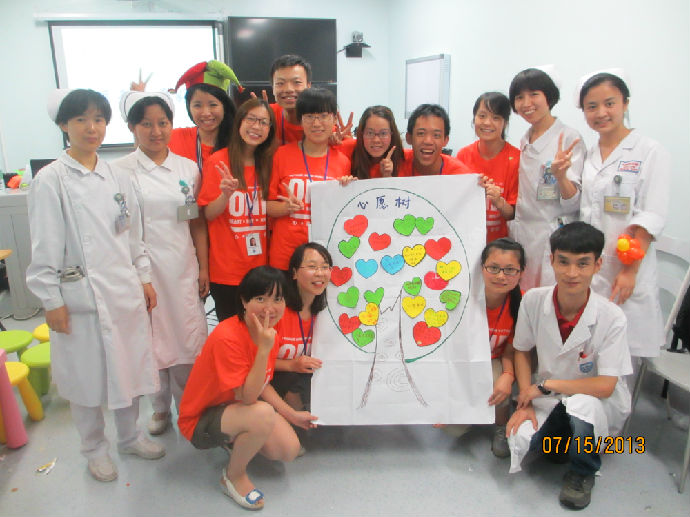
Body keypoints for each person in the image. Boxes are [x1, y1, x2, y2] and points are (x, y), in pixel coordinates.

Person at [26, 89, 164, 483]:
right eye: (81, 119)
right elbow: (44, 247)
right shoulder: (51, 180)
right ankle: (94, 450)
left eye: (99, 119)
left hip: (123, 291)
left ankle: (130, 437)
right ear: (64, 125)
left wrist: (144, 276)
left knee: (129, 370)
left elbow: (133, 235)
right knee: (85, 379)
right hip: (80, 298)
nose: (92, 128)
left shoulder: (118, 176)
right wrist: (51, 299)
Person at [506, 222, 632, 510]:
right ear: (551, 260)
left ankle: (582, 472)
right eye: (563, 262)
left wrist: (545, 386)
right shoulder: (533, 300)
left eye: (582, 263)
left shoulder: (612, 317)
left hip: (594, 402)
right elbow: (521, 350)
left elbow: (605, 386)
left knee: (582, 406)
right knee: (522, 441)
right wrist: (525, 400)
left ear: (598, 265)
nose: (572, 273)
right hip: (546, 398)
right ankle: (559, 443)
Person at [178, 266, 317, 510]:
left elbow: (262, 382)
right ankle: (233, 476)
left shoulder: (269, 330)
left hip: (235, 407)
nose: (269, 308)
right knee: (262, 413)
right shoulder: (228, 336)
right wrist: (264, 348)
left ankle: (235, 438)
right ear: (244, 301)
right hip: (200, 421)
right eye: (260, 299)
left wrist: (292, 415)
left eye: (277, 299)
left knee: (288, 450)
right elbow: (249, 396)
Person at [114, 91, 209, 436]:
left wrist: (204, 267)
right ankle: (159, 408)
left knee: (186, 339)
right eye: (146, 124)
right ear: (132, 127)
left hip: (182, 267)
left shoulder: (187, 168)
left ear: (172, 125)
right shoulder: (119, 171)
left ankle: (188, 409)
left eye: (163, 123)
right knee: (151, 341)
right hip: (142, 271)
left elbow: (196, 222)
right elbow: (120, 229)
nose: (156, 131)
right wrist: (137, 276)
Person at [576, 70, 670, 358]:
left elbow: (651, 215)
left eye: (609, 103)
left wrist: (630, 271)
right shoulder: (589, 154)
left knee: (622, 356)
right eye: (592, 107)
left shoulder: (649, 151)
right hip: (593, 266)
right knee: (591, 352)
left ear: (625, 103)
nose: (601, 113)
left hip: (626, 268)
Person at [436, 238, 523, 458]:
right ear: (481, 268)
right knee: (452, 428)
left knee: (498, 383)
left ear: (521, 272)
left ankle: (501, 426)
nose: (501, 276)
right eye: (493, 268)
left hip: (494, 360)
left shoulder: (521, 305)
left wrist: (508, 375)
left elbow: (510, 351)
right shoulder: (461, 298)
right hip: (459, 362)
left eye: (510, 270)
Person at [198, 98, 276, 321]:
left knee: (259, 330)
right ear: (239, 122)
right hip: (226, 270)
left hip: (261, 269)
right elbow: (208, 214)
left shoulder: (269, 163)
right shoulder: (219, 161)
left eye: (263, 122)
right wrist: (225, 195)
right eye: (251, 119)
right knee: (231, 332)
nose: (256, 127)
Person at [508, 67, 585, 290]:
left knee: (549, 297)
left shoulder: (568, 137)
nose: (526, 103)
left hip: (551, 236)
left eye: (534, 94)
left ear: (549, 97)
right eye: (519, 97)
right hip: (523, 234)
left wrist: (561, 177)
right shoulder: (524, 140)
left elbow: (574, 202)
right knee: (524, 297)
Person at [267, 88, 354, 272]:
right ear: (300, 120)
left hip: (323, 256)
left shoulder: (343, 161)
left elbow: (345, 214)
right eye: (309, 116)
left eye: (323, 116)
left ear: (334, 119)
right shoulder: (281, 155)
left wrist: (347, 188)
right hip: (285, 256)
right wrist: (284, 208)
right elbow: (265, 205)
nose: (316, 123)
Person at [271, 243, 332, 411]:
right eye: (312, 267)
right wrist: (291, 365)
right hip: (274, 382)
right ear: (294, 273)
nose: (320, 273)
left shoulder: (328, 313)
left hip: (308, 379)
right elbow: (254, 360)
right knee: (290, 379)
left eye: (325, 267)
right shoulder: (277, 311)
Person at [457, 92, 520, 242]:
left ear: (505, 123)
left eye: (496, 118)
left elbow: (513, 214)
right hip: (468, 241)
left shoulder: (516, 159)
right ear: (474, 119)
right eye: (482, 116)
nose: (487, 122)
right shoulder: (463, 156)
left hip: (500, 246)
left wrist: (498, 201)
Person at [167, 61, 239, 173]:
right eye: (197, 105)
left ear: (224, 106)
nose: (206, 113)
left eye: (213, 105)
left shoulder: (239, 142)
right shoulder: (174, 138)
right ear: (189, 107)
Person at [398, 104, 473, 177]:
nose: (428, 141)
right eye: (421, 133)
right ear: (409, 138)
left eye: (436, 135)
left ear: (445, 140)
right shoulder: (397, 162)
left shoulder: (461, 176)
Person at [341, 105, 405, 179]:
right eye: (370, 133)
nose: (376, 140)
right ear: (362, 134)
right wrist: (332, 138)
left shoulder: (405, 158)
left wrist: (388, 176)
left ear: (392, 134)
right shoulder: (350, 148)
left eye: (383, 133)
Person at [268, 54, 312, 145]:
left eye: (297, 82)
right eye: (280, 83)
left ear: (308, 86)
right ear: (273, 88)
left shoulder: (322, 120)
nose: (288, 89)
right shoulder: (267, 115)